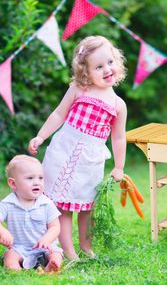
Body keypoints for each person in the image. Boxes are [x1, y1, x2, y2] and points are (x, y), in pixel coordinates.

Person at [28, 36, 127, 260]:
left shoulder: (117, 105)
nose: (107, 69)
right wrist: (41, 136)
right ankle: (68, 250)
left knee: (86, 207)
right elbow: (58, 114)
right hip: (63, 153)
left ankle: (86, 246)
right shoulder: (79, 89)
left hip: (90, 162)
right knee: (62, 206)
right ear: (86, 72)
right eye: (99, 67)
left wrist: (119, 166)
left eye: (110, 63)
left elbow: (119, 137)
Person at [0, 155, 63, 272]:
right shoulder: (8, 203)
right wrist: (3, 231)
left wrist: (46, 239)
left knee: (55, 253)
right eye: (30, 178)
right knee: (9, 256)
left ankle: (52, 265)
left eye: (40, 178)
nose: (37, 182)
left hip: (44, 247)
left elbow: (55, 227)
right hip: (19, 248)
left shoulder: (46, 203)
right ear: (13, 184)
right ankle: (14, 268)